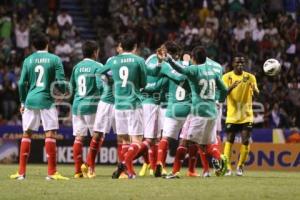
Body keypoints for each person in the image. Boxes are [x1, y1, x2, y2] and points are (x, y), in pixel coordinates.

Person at [163, 46, 228, 179]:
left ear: (193, 58)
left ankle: (175, 172)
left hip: (198, 112)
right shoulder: (212, 71)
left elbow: (180, 69)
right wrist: (219, 99)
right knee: (205, 146)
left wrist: (169, 60)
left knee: (184, 142)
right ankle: (220, 158)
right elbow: (224, 89)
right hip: (212, 113)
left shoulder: (194, 69)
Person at [10, 33, 68, 180]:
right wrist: (63, 91)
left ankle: (21, 173)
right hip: (47, 100)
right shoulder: (55, 59)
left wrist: (22, 101)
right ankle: (51, 173)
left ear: (34, 46)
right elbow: (60, 81)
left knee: (27, 134)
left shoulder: (28, 60)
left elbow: (22, 83)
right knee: (50, 134)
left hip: (30, 100)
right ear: (47, 44)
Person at [97, 33, 147, 179]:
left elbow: (100, 72)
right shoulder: (139, 60)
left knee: (125, 140)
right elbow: (143, 83)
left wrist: (109, 82)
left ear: (121, 46)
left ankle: (128, 172)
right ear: (135, 47)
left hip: (118, 105)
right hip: (133, 103)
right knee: (137, 141)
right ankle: (124, 163)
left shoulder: (114, 61)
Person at [70, 40, 103, 179]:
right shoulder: (98, 66)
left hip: (77, 105)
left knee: (79, 138)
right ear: (95, 52)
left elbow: (71, 87)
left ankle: (78, 171)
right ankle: (90, 167)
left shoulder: (76, 67)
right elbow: (100, 86)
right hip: (92, 106)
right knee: (98, 136)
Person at [222, 54, 259, 176]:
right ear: (233, 64)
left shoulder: (250, 77)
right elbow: (222, 94)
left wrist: (255, 89)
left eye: (242, 63)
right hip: (232, 115)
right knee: (230, 139)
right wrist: (230, 88)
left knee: (245, 140)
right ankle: (227, 168)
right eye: (238, 62)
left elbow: (257, 94)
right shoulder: (226, 77)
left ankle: (240, 167)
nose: (240, 65)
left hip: (246, 115)